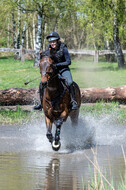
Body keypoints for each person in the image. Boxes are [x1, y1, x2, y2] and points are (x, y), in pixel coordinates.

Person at [33, 32, 78, 111]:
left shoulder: (63, 48)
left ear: (57, 41)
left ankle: (73, 101)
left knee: (70, 82)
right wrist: (41, 55)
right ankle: (41, 103)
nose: (52, 43)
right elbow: (45, 59)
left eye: (53, 41)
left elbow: (68, 62)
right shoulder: (48, 49)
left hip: (63, 69)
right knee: (41, 83)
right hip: (53, 71)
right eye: (50, 42)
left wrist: (57, 65)